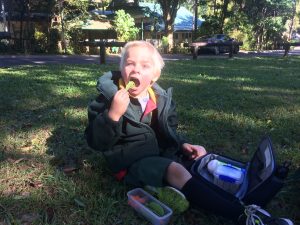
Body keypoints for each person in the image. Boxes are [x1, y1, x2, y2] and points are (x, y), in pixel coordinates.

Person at [85, 41, 293, 225]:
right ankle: (243, 215)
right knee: (176, 170)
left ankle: (241, 194)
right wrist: (112, 115)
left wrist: (182, 143)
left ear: (155, 75)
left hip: (160, 153)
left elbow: (165, 132)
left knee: (199, 159)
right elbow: (97, 142)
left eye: (145, 66)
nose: (136, 70)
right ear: (122, 69)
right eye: (129, 63)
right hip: (129, 163)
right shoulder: (108, 100)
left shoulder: (160, 98)